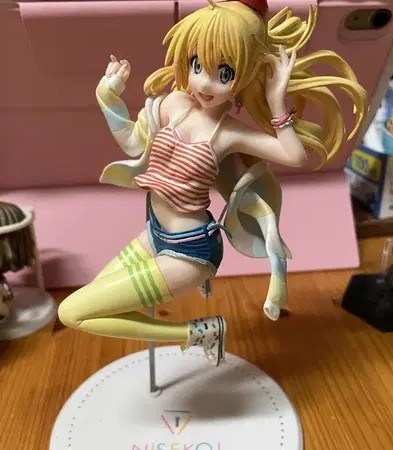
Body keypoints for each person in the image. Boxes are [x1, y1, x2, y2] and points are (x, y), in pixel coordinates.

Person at [58, 0, 368, 366]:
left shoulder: (228, 133)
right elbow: (132, 142)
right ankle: (202, 333)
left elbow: (294, 156)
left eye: (224, 73)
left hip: (189, 252)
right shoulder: (173, 103)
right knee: (93, 305)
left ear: (246, 76)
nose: (205, 82)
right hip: (154, 233)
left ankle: (196, 333)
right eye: (197, 65)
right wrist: (107, 96)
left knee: (72, 312)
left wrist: (276, 102)